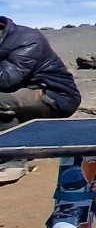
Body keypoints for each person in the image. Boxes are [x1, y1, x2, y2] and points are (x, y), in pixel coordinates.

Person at [0, 17, 80, 184]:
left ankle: (13, 161)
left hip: (53, 94)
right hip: (18, 94)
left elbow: (7, 79)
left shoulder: (26, 39)